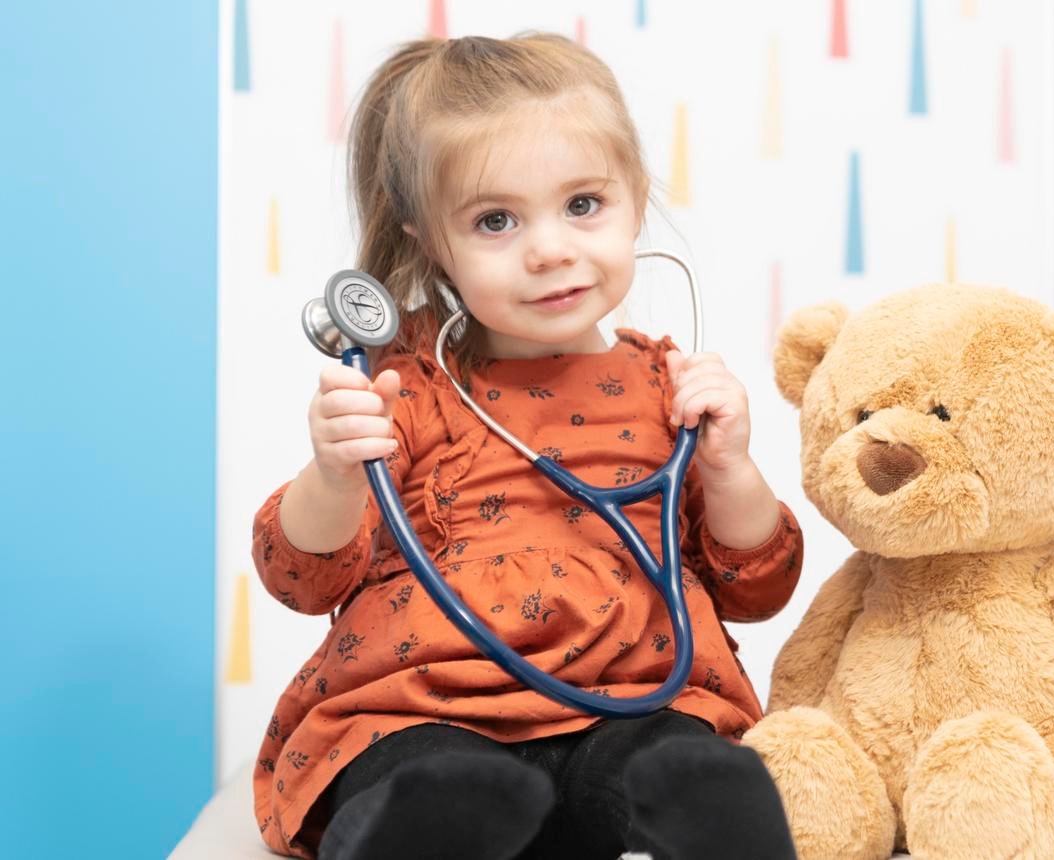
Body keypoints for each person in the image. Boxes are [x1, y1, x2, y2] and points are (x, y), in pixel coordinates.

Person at [250, 33, 802, 860]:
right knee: (423, 779)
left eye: (584, 205)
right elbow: (302, 575)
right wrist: (332, 473)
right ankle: (434, 821)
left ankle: (709, 810)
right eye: (496, 220)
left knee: (675, 763)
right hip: (429, 702)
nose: (550, 250)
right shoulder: (407, 386)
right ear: (431, 240)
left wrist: (732, 470)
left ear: (637, 196)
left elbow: (756, 586)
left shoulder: (667, 386)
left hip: (633, 697)